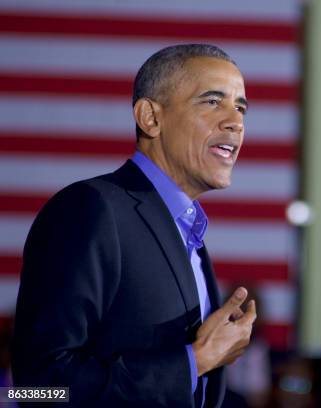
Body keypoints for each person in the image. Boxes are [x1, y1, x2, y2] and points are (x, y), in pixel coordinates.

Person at [11, 44, 256, 408]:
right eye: (211, 101)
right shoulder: (90, 210)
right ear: (150, 118)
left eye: (240, 107)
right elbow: (39, 389)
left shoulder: (186, 232)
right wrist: (196, 360)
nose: (235, 121)